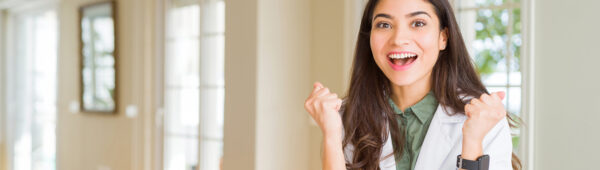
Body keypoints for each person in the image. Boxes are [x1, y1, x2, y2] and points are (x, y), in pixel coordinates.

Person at [303, 0, 521, 169]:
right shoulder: (348, 118)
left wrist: (473, 143)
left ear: (443, 37)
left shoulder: (484, 121)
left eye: (418, 23)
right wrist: (332, 135)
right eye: (384, 24)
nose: (398, 39)